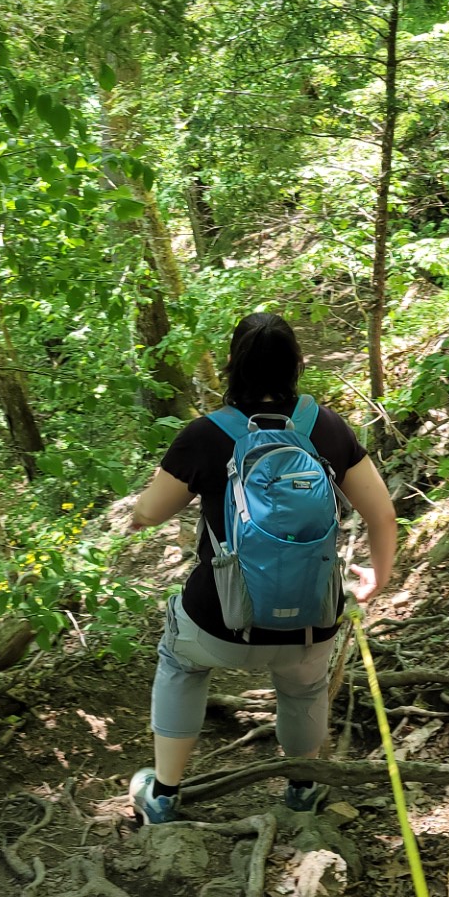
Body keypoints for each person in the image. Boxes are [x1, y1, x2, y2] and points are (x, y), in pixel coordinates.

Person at [127, 311, 397, 824]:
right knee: (305, 688)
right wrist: (378, 578)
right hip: (310, 622)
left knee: (180, 661)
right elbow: (382, 514)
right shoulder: (327, 428)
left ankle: (163, 796)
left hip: (219, 620)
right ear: (299, 363)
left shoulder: (205, 435)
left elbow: (146, 515)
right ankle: (300, 790)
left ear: (230, 366)